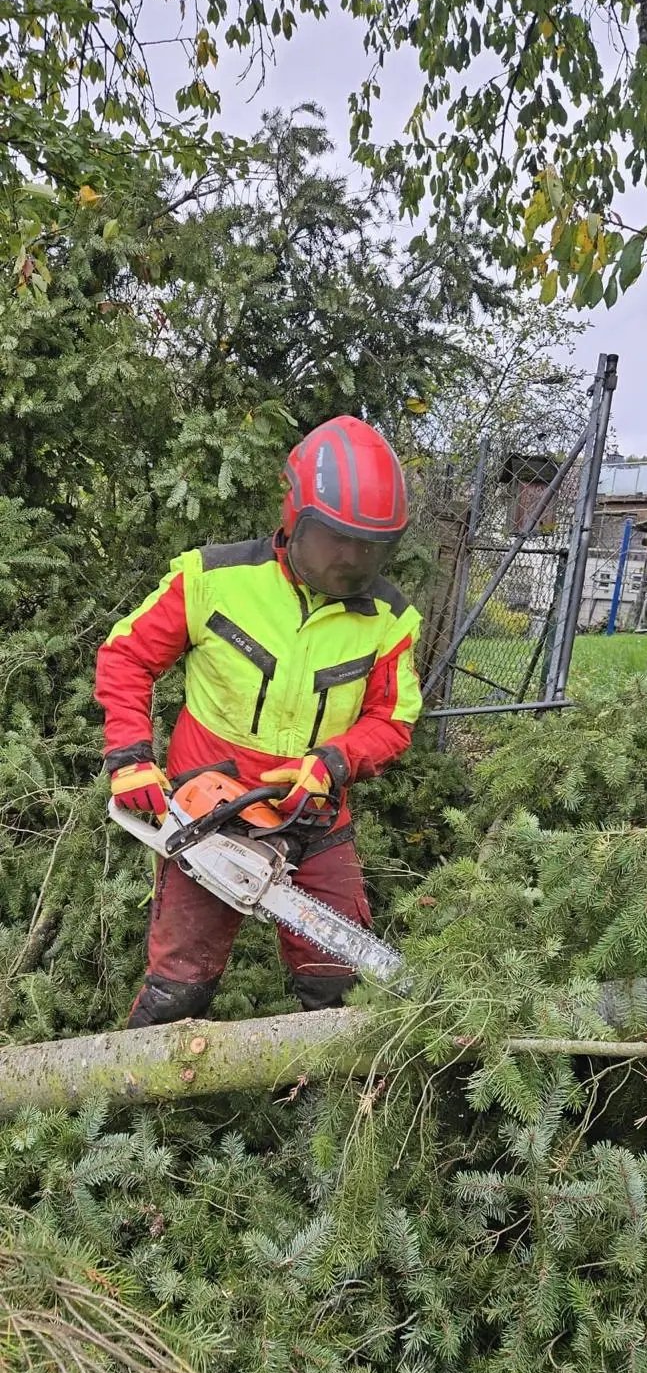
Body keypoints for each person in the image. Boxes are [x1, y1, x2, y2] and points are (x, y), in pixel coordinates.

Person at [95, 415, 423, 1026]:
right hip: (207, 813)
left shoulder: (390, 618)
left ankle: (332, 1086)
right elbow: (126, 657)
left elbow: (392, 719)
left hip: (314, 812)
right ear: (295, 516)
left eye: (368, 546)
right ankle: (141, 1081)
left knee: (340, 986)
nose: (350, 559)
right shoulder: (213, 579)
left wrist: (334, 761)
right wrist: (131, 755)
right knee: (179, 988)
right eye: (335, 540)